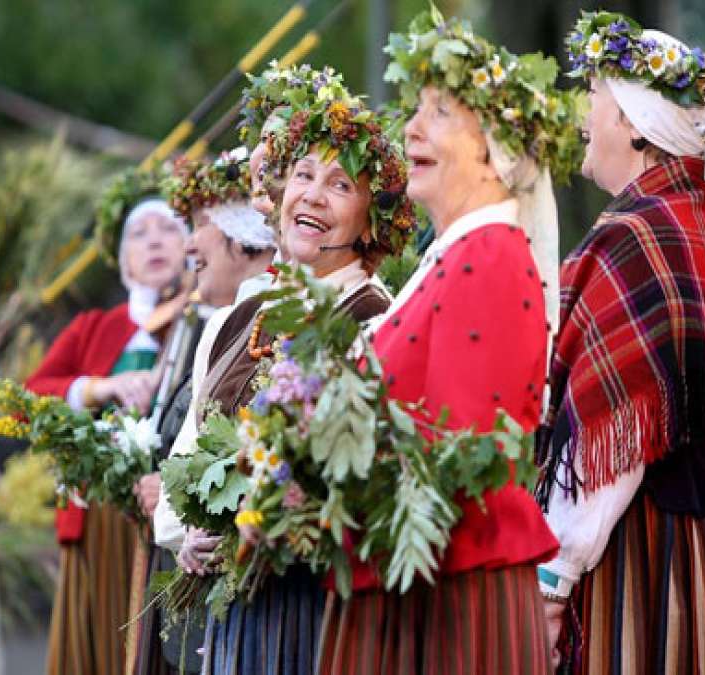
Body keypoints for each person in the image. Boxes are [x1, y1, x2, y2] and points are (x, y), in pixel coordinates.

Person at [315, 10, 584, 673]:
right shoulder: (456, 253)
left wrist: (318, 482)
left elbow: (463, 455)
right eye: (416, 109)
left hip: (451, 607)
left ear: (494, 149)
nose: (411, 127)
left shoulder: (489, 254)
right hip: (424, 589)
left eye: (439, 112)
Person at [156, 69, 417, 675]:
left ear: (371, 221)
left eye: (340, 184)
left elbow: (371, 487)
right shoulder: (238, 315)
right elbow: (187, 454)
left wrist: (264, 525)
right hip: (233, 614)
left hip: (323, 612)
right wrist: (187, 535)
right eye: (303, 175)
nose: (313, 197)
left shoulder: (379, 322)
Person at [537, 12, 705, 672]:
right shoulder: (687, 219)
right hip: (688, 558)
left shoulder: (638, 233)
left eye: (594, 98)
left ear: (632, 123)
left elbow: (615, 436)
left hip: (632, 561)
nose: (582, 116)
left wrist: (554, 576)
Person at [26, 174, 188, 675]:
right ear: (122, 261)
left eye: (169, 228)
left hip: (165, 511)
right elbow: (29, 397)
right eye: (141, 233)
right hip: (97, 518)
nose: (156, 240)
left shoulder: (201, 322)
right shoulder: (94, 327)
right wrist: (100, 388)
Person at [129, 149, 276, 675]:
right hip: (201, 568)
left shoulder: (257, 317)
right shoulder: (220, 322)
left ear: (247, 234)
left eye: (200, 224)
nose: (188, 241)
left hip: (254, 588)